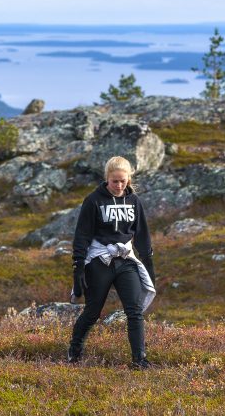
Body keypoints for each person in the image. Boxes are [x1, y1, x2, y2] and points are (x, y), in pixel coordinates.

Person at [67, 155, 157, 368]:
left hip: (125, 259)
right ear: (107, 178)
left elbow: (142, 235)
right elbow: (82, 235)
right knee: (93, 311)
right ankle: (75, 350)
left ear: (128, 180)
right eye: (114, 181)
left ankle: (139, 360)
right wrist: (78, 268)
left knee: (134, 311)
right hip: (100, 260)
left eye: (122, 181)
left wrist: (149, 265)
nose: (118, 185)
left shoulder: (134, 201)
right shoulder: (93, 200)